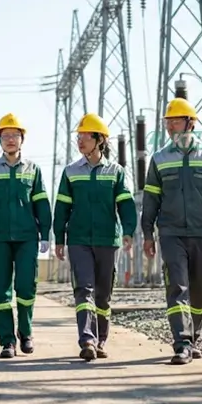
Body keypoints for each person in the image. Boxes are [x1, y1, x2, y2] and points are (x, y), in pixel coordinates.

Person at [140, 97, 202, 365]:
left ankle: (193, 338)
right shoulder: (159, 159)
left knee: (198, 289)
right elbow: (151, 200)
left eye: (175, 121)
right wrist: (147, 233)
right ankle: (181, 342)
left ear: (190, 123)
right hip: (170, 232)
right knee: (177, 286)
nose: (170, 126)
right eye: (168, 122)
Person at [51, 113, 137, 362]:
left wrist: (129, 231)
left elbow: (126, 205)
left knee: (103, 294)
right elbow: (62, 208)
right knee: (83, 289)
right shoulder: (70, 172)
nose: (80, 141)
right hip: (78, 239)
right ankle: (87, 339)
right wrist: (59, 237)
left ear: (99, 140)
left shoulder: (116, 172)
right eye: (78, 137)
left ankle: (100, 340)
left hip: (108, 240)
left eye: (85, 136)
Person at [0, 113, 52, 358]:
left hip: (27, 237)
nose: (10, 140)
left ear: (22, 139)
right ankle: (7, 341)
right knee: (1, 291)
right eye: (5, 135)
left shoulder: (33, 170)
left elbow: (41, 203)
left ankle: (26, 333)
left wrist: (45, 234)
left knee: (26, 287)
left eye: (14, 135)